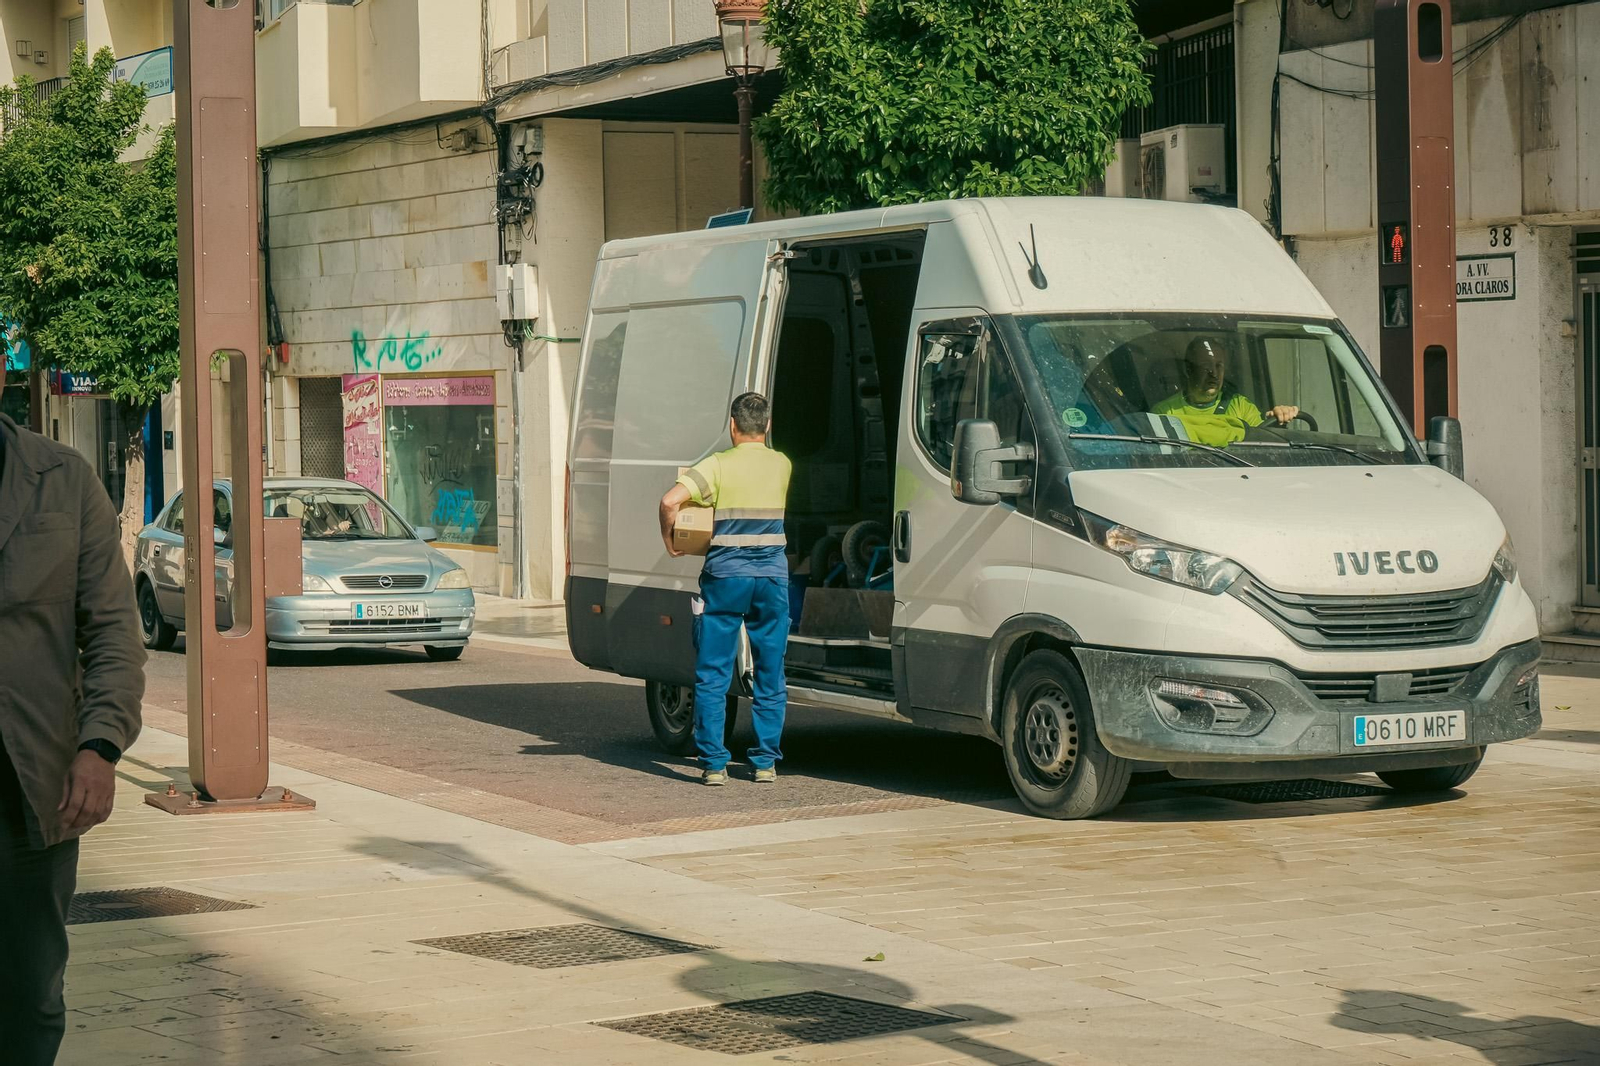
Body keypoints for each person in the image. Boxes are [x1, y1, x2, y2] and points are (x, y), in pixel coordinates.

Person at [0, 412, 145, 1064]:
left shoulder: (63, 477)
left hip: (29, 791)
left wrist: (101, 747)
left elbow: (114, 630)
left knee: (29, 993)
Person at [658, 393, 792, 786]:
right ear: (766, 426)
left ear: (732, 426)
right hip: (772, 580)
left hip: (725, 579)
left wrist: (671, 540)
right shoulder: (783, 464)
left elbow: (670, 501)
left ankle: (715, 763)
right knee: (770, 671)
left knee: (713, 673)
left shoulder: (717, 466)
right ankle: (765, 762)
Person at [1153, 336, 1301, 446]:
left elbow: (1263, 443)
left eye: (1219, 366)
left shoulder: (1241, 406)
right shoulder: (1165, 412)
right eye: (1206, 366)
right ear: (1188, 369)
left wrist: (1279, 420)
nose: (1214, 374)